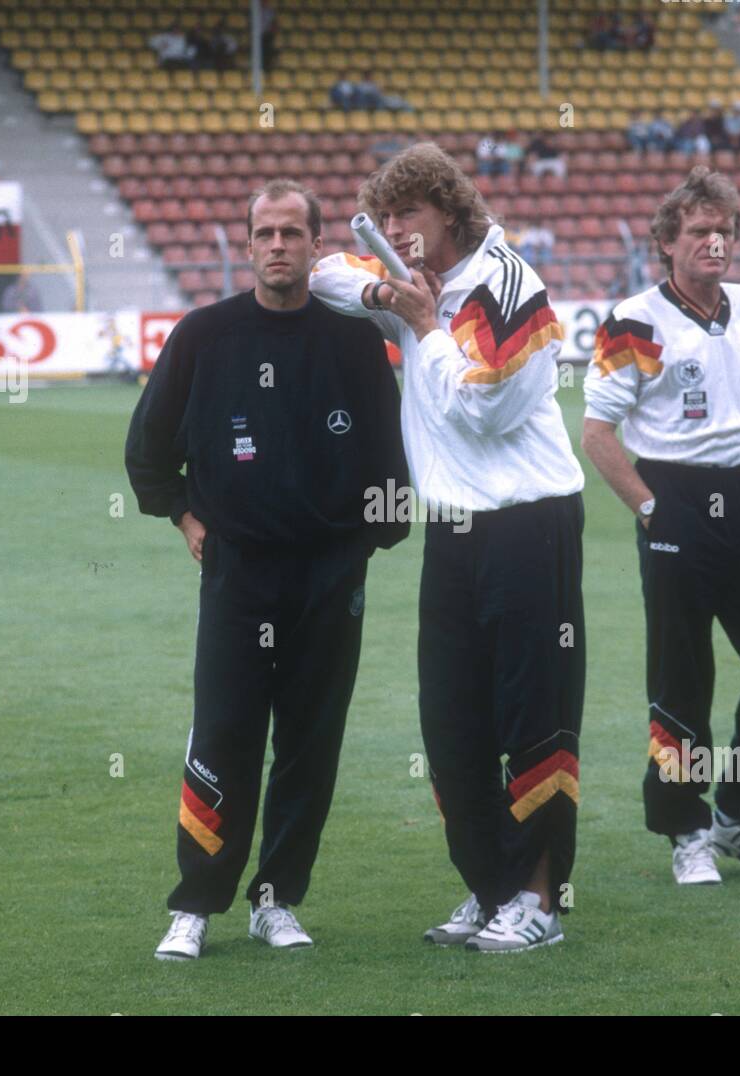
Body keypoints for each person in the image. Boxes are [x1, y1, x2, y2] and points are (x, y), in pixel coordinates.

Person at [309, 143, 585, 953]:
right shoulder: (408, 276)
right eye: (387, 217)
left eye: (410, 215)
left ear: (452, 214)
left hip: (529, 525)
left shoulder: (508, 287)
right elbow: (326, 269)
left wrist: (422, 323)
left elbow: (485, 414)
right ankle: (492, 883)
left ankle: (538, 900)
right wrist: (381, 289)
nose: (396, 229)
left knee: (534, 718)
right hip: (454, 532)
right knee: (451, 723)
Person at [126, 180, 410, 961]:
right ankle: (196, 903)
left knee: (311, 742)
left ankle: (277, 897)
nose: (279, 245)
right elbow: (148, 450)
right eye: (265, 232)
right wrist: (189, 519)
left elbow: (392, 458)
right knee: (224, 732)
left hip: (329, 576)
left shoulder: (354, 341)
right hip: (238, 574)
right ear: (247, 244)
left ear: (319, 246)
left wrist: (362, 547)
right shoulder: (204, 336)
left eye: (293, 232)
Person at [581, 166, 740, 887]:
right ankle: (686, 828)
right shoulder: (633, 321)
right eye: (700, 231)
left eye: (725, 231)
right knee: (683, 681)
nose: (716, 242)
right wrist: (651, 509)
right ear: (666, 244)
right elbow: (597, 432)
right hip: (676, 498)